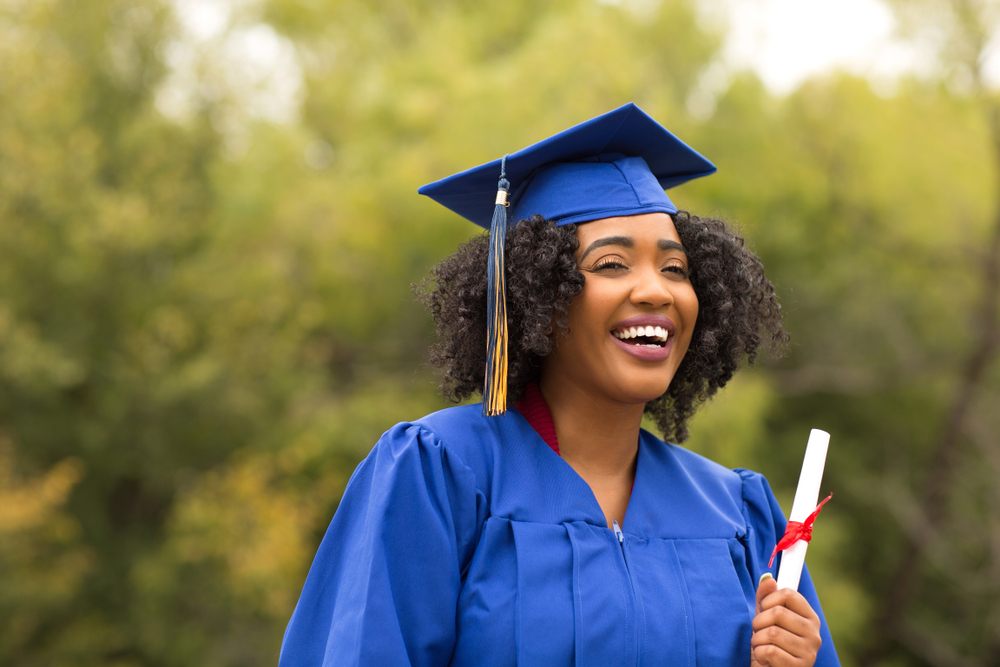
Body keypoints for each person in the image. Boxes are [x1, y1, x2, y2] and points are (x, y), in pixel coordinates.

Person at [279, 103, 840, 666]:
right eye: (612, 264)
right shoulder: (441, 474)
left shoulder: (738, 515)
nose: (656, 291)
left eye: (676, 269)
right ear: (538, 295)